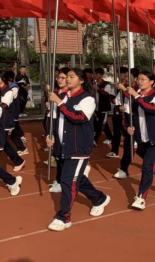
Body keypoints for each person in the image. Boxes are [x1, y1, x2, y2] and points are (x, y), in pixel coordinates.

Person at [46, 68, 111, 231]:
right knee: (77, 178)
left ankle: (64, 217)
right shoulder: (60, 97)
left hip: (78, 147)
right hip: (62, 145)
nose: (67, 79)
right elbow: (53, 120)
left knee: (67, 181)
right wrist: (50, 135)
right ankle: (99, 198)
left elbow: (79, 118)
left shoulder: (87, 99)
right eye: (66, 77)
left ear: (81, 80)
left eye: (71, 77)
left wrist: (59, 103)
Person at [119, 71, 155, 209]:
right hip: (141, 137)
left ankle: (141, 198)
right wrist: (129, 126)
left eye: (143, 79)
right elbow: (130, 114)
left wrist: (136, 96)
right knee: (154, 164)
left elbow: (151, 109)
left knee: (147, 166)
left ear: (151, 82)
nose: (140, 81)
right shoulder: (136, 96)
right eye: (138, 79)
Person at [0, 71, 27, 173]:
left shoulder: (9, 91)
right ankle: (18, 160)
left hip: (6, 120)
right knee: (2, 143)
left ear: (3, 78)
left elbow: (4, 105)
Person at [113, 67, 139, 179]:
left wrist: (124, 89)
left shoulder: (138, 88)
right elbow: (117, 101)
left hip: (138, 118)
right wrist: (120, 106)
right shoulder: (125, 88)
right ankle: (124, 168)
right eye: (126, 76)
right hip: (127, 118)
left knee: (137, 145)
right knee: (129, 143)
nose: (127, 79)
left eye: (130, 77)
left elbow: (137, 100)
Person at [94, 67, 114, 146]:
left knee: (100, 123)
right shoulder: (94, 83)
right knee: (101, 122)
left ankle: (95, 139)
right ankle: (109, 136)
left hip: (103, 107)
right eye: (94, 74)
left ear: (101, 75)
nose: (95, 75)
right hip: (96, 107)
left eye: (97, 74)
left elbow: (107, 94)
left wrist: (98, 89)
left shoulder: (106, 84)